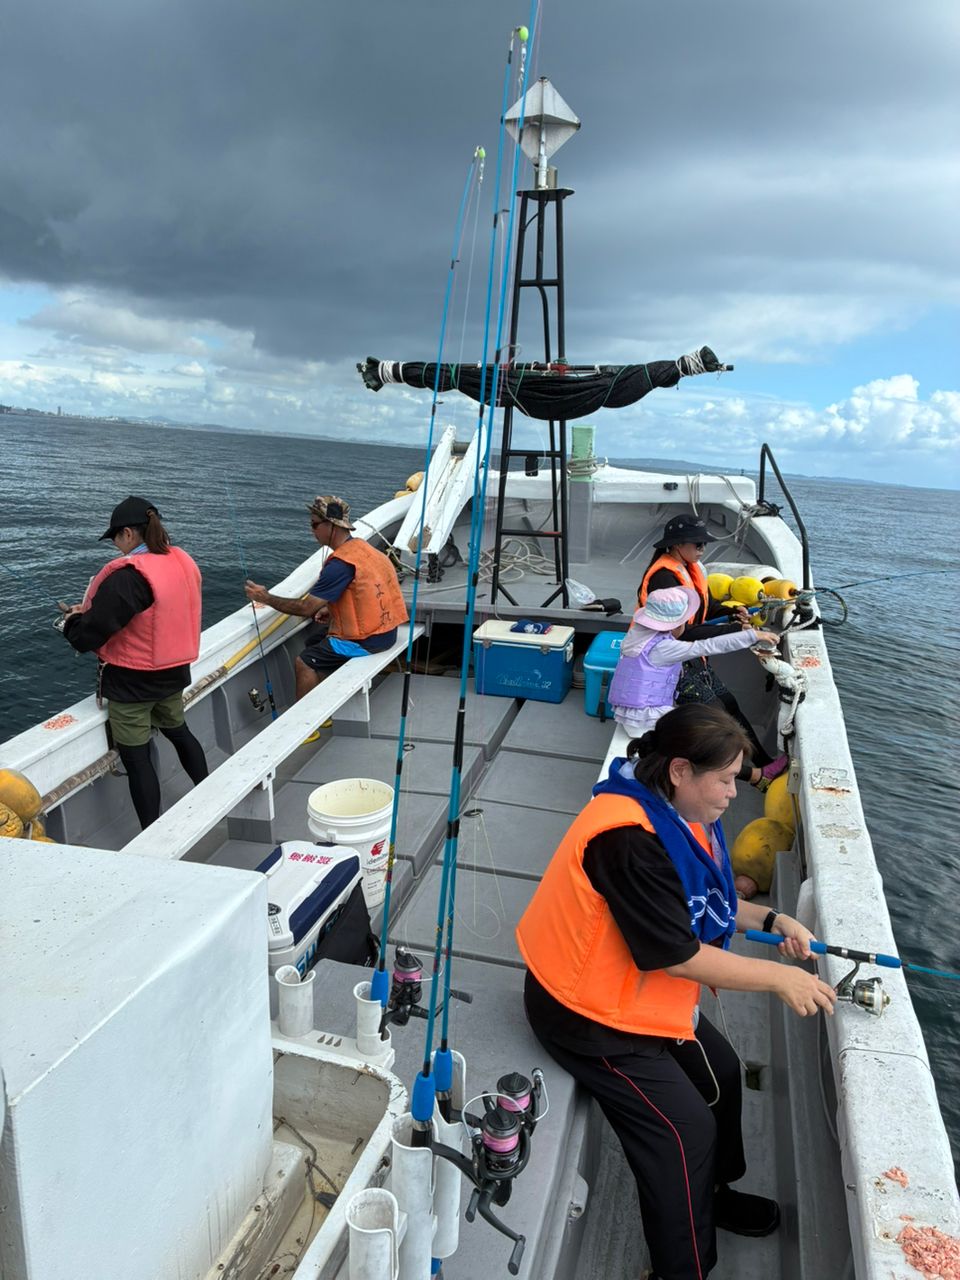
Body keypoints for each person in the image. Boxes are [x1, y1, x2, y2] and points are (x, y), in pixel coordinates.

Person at [516, 704, 836, 1280]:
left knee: (724, 1076)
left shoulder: (677, 811)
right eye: (724, 780)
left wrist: (771, 922)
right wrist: (782, 978)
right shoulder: (626, 839)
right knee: (684, 1133)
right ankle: (681, 1269)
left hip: (639, 996)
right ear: (682, 770)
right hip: (584, 1014)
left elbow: (699, 901)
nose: (733, 796)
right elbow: (678, 953)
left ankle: (715, 1196)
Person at [59, 496, 208, 829]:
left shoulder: (130, 576)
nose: (115, 545)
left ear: (128, 533)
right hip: (174, 673)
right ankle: (210, 794)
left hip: (132, 683)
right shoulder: (181, 560)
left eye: (114, 537)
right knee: (180, 733)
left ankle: (151, 835)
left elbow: (90, 635)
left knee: (137, 760)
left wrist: (71, 622)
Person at [639, 512, 785, 783]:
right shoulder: (664, 579)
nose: (703, 549)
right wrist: (739, 630)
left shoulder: (688, 568)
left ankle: (765, 763)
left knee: (729, 704)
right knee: (715, 726)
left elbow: (702, 607)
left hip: (693, 657)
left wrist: (731, 612)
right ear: (676, 545)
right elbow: (685, 633)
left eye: (703, 544)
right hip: (671, 664)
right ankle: (755, 776)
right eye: (698, 544)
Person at [244, 494, 408, 702]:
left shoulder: (340, 564)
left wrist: (265, 597)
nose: (311, 530)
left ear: (332, 526)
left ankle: (306, 727)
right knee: (313, 640)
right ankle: (325, 698)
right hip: (387, 631)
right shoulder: (365, 550)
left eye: (314, 525)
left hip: (369, 641)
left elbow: (306, 608)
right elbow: (364, 592)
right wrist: (331, 610)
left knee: (304, 662)